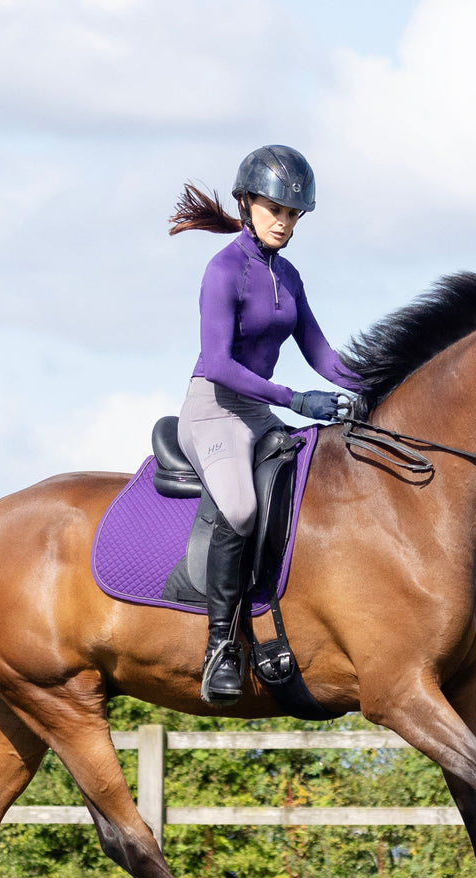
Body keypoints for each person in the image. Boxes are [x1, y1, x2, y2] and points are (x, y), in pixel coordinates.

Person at [169, 144, 357, 704]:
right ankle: (220, 649)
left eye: (294, 213)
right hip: (214, 408)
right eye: (274, 208)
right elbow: (221, 364)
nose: (284, 221)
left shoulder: (289, 276)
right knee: (243, 507)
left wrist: (374, 386)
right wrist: (297, 399)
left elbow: (324, 356)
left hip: (258, 410)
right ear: (247, 202)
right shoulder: (223, 270)